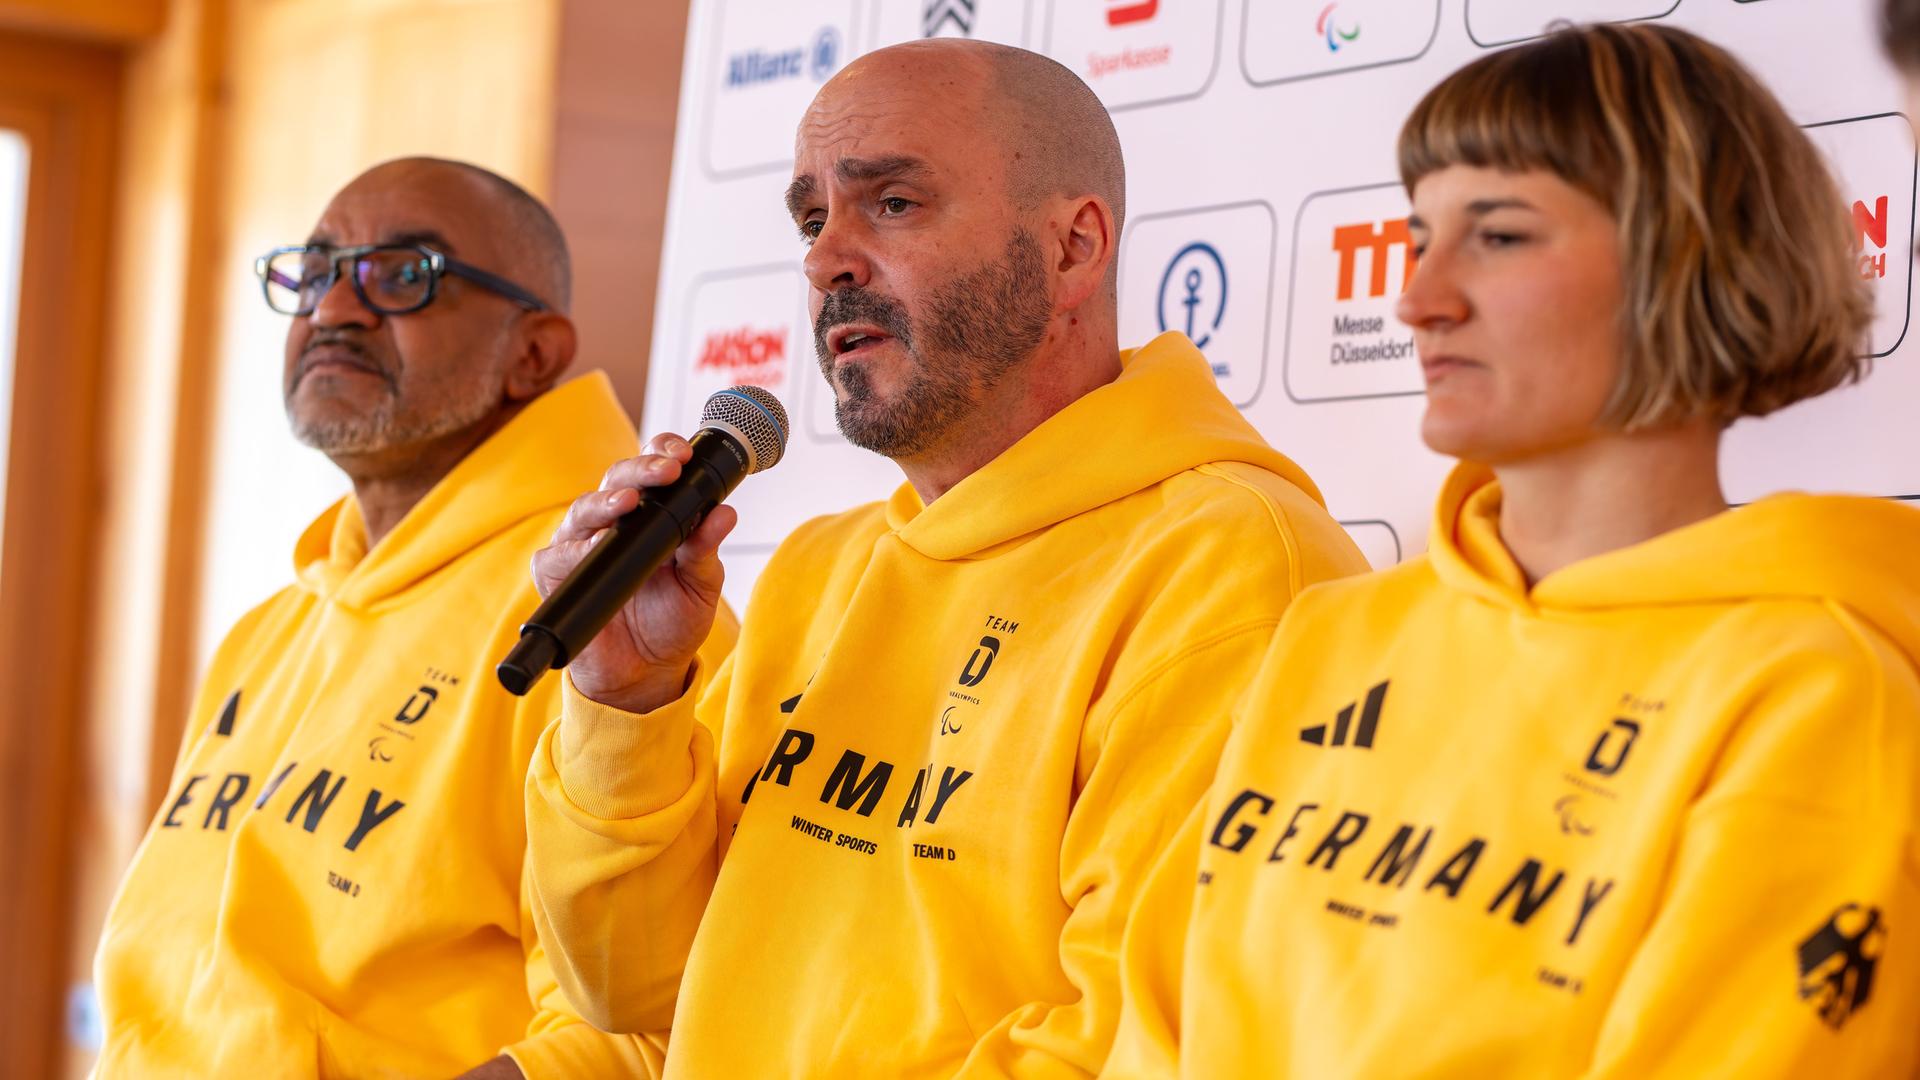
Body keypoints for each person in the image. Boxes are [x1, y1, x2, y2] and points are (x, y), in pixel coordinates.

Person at [523, 38, 1369, 1076]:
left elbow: (1134, 1042)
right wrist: (632, 699)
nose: (825, 257)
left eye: (891, 203)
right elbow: (635, 990)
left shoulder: (1234, 568)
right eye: (810, 217)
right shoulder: (814, 572)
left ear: (1073, 248)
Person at [1103, 23, 1920, 1078]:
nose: (1417, 296)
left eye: (1498, 236)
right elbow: (1156, 1028)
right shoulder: (1334, 630)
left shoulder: (1819, 689)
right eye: (1417, 237)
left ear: (1684, 258)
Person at [91, 157, 735, 1078]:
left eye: (403, 275)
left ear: (533, 353)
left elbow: (642, 1032)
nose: (334, 310)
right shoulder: (270, 627)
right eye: (314, 273)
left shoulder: (610, 617)